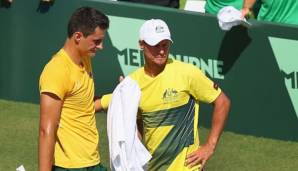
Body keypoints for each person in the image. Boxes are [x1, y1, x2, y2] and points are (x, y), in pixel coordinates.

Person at [100, 19, 231, 171]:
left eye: (165, 45)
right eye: (156, 46)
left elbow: (223, 102)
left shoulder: (187, 73)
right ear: (141, 45)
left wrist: (209, 146)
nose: (162, 51)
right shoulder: (132, 84)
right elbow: (138, 125)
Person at [38, 7, 109, 171]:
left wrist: (116, 98)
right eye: (96, 41)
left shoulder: (85, 58)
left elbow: (83, 107)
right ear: (78, 36)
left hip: (91, 162)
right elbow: (46, 130)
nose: (101, 47)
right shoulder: (57, 70)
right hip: (70, 167)